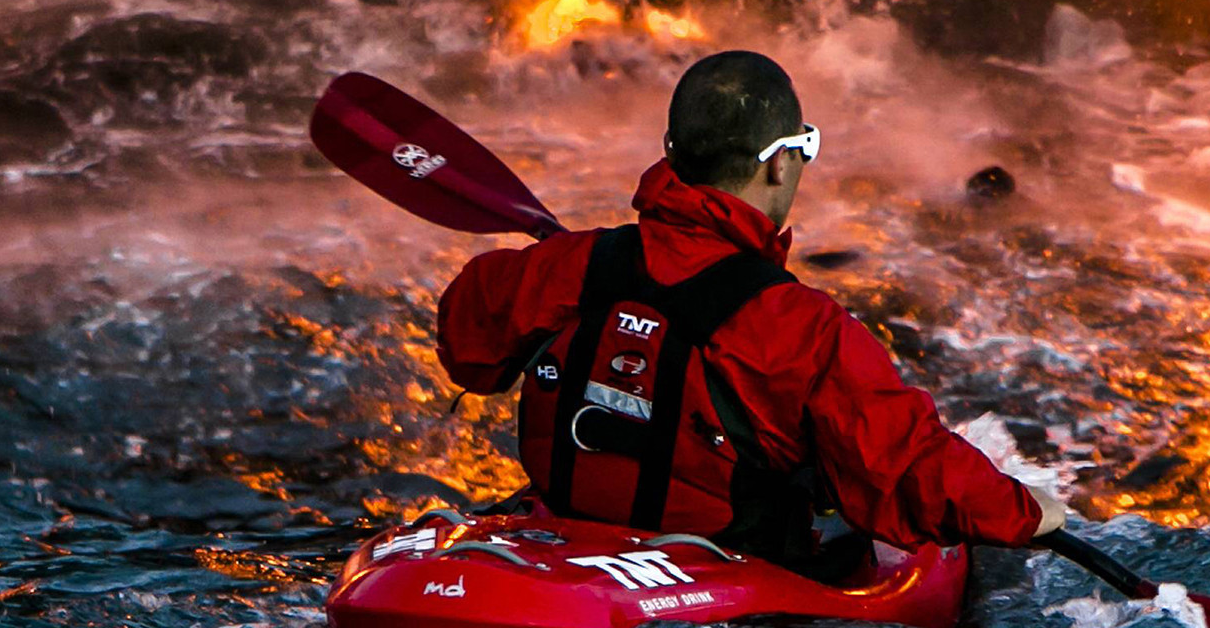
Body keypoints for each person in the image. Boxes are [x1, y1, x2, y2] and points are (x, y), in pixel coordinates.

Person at [436, 49, 1069, 573]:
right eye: (805, 148)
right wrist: (1025, 509)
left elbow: (467, 346)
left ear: (673, 152)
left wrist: (568, 275)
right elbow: (904, 467)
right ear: (778, 161)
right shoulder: (803, 329)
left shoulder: (567, 267)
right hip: (721, 596)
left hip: (561, 560)